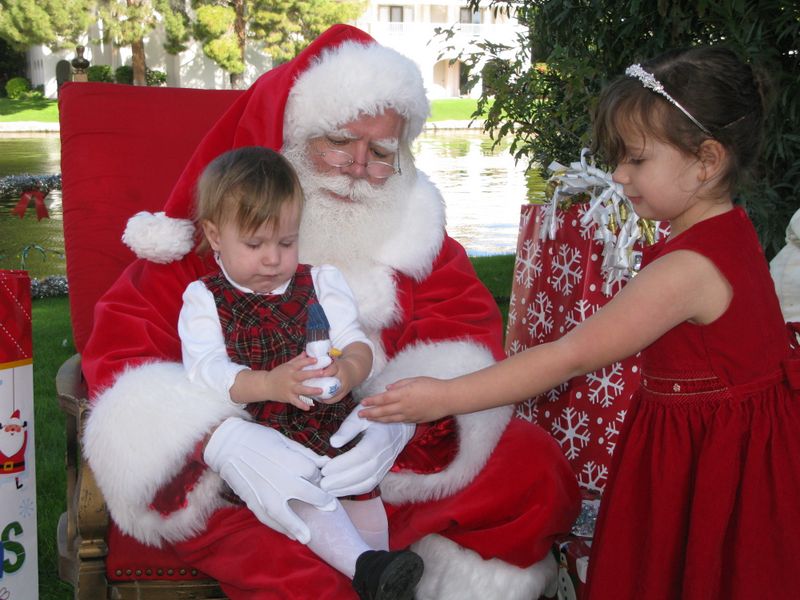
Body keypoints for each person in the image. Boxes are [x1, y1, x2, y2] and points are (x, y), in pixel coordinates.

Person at [81, 24, 580, 600]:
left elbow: (463, 336)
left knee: (533, 466)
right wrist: (220, 441)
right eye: (340, 141)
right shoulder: (213, 242)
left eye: (381, 152)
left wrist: (403, 428)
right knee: (289, 554)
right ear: (296, 135)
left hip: (382, 461)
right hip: (253, 473)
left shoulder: (417, 239)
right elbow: (125, 349)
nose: (358, 167)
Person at [359, 46, 800, 599]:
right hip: (720, 443)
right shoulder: (730, 231)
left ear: (707, 160)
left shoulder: (688, 269)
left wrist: (445, 396)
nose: (618, 174)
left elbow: (569, 356)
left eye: (637, 160)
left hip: (708, 460)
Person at [178, 146, 423, 599]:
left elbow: (355, 342)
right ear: (215, 235)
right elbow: (206, 372)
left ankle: (381, 568)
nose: (273, 259)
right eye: (254, 245)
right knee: (302, 493)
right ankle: (365, 567)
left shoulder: (321, 282)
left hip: (329, 421)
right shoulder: (204, 298)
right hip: (266, 437)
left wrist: (347, 373)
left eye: (286, 242)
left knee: (359, 484)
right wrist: (269, 383)